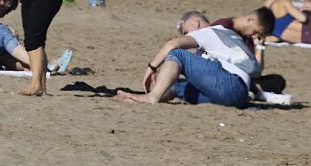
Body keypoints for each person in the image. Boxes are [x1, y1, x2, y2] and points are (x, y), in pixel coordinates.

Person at [117, 10, 273, 108]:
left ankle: (152, 98)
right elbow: (254, 70)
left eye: (186, 31)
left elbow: (173, 44)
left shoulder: (212, 31)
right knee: (176, 85)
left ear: (196, 23)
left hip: (228, 84)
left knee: (177, 54)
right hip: (238, 97)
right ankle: (148, 96)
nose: (187, 36)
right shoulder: (232, 38)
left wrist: (151, 68)